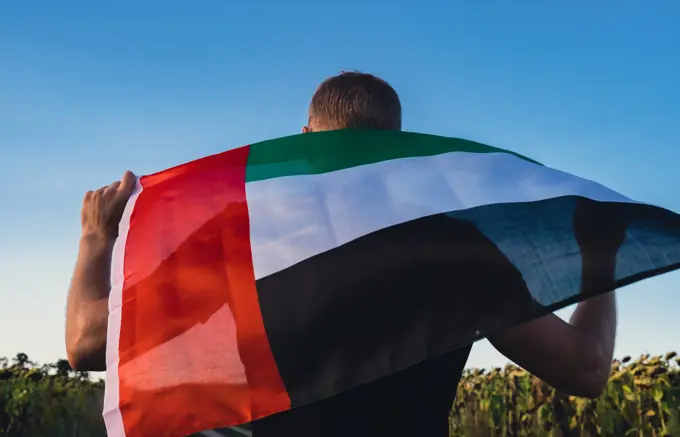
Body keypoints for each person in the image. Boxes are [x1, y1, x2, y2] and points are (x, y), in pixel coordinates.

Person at [66, 71, 618, 436]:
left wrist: (96, 238)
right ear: (398, 148)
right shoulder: (456, 253)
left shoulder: (237, 242)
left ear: (304, 138)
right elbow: (586, 368)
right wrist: (599, 256)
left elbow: (87, 344)